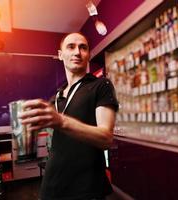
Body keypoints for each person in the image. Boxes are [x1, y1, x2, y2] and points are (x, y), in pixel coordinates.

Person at [19, 32, 119, 200]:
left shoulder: (101, 86)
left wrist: (61, 121)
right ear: (60, 55)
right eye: (71, 47)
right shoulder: (57, 96)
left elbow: (106, 138)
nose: (77, 52)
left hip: (86, 188)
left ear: (89, 55)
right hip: (52, 186)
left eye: (83, 47)